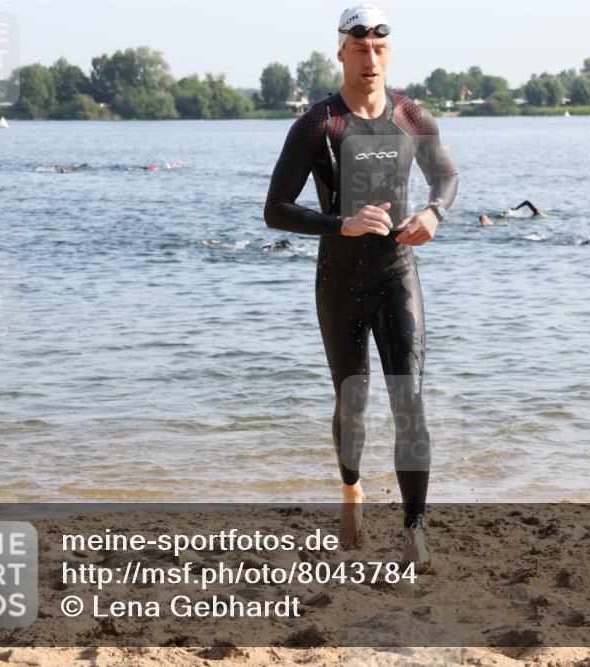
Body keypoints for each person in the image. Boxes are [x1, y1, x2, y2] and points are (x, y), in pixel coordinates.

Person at [263, 4, 458, 571]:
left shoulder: (411, 117)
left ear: (388, 54)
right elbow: (275, 209)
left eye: (379, 49)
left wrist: (435, 214)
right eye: (360, 49)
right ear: (342, 53)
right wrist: (338, 223)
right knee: (353, 405)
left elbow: (445, 176)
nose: (370, 59)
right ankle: (351, 489)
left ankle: (414, 528)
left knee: (410, 400)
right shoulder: (318, 124)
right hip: (340, 279)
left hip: (398, 273)